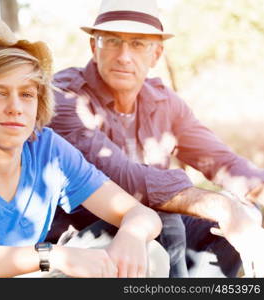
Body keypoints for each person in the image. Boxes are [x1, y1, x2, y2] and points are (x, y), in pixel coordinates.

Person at [0, 19, 168, 278]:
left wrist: (132, 234)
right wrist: (51, 256)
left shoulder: (47, 150)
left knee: (148, 253)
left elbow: (140, 214)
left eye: (27, 94)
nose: (16, 107)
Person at [47, 0, 264, 277]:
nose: (124, 56)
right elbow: (123, 178)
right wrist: (222, 206)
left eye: (138, 44)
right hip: (81, 236)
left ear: (156, 54)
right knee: (168, 217)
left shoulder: (164, 103)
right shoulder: (65, 97)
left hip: (151, 230)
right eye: (112, 41)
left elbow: (222, 162)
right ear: (94, 47)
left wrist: (249, 200)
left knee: (243, 216)